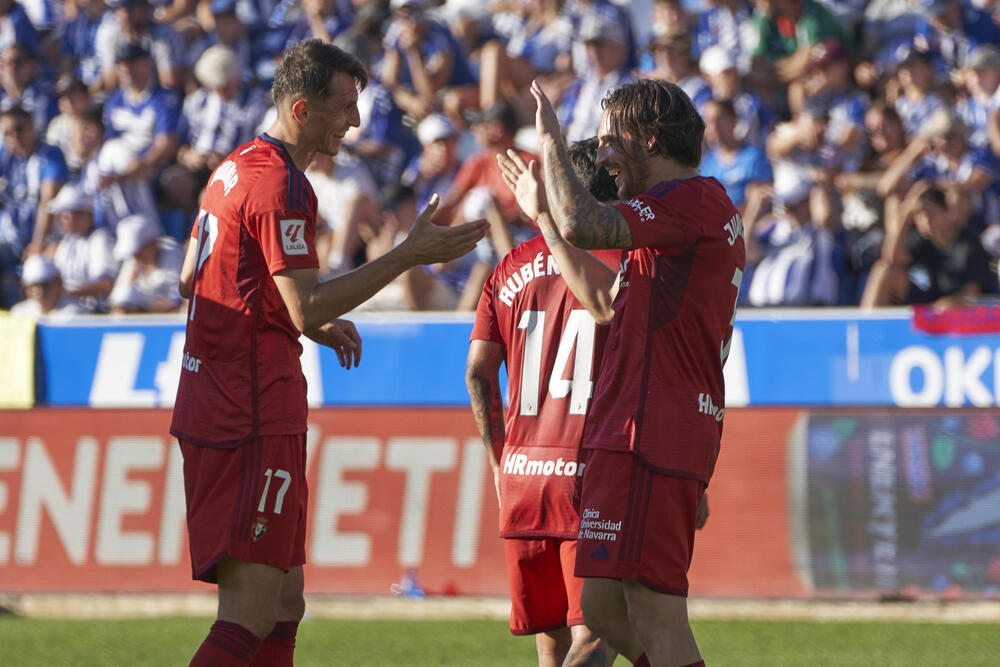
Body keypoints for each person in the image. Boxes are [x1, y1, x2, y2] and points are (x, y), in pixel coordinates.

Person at [170, 39, 487, 667]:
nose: (356, 121)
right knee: (251, 612)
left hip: (223, 399)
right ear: (301, 108)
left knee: (285, 603)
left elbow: (191, 279)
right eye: (344, 106)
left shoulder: (233, 167)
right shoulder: (281, 184)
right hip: (248, 412)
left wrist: (297, 320)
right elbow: (307, 304)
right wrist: (404, 255)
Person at [498, 78, 743, 666]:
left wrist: (552, 142)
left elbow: (586, 223)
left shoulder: (692, 200)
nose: (602, 156)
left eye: (609, 141)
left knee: (657, 616)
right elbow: (602, 303)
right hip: (629, 431)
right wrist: (544, 218)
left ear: (650, 138)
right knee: (605, 611)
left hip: (653, 431)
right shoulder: (671, 219)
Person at [467, 136, 620, 667]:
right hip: (588, 475)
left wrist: (497, 461)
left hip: (523, 476)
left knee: (552, 651)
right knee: (599, 637)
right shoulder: (618, 262)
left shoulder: (507, 268)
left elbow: (478, 372)